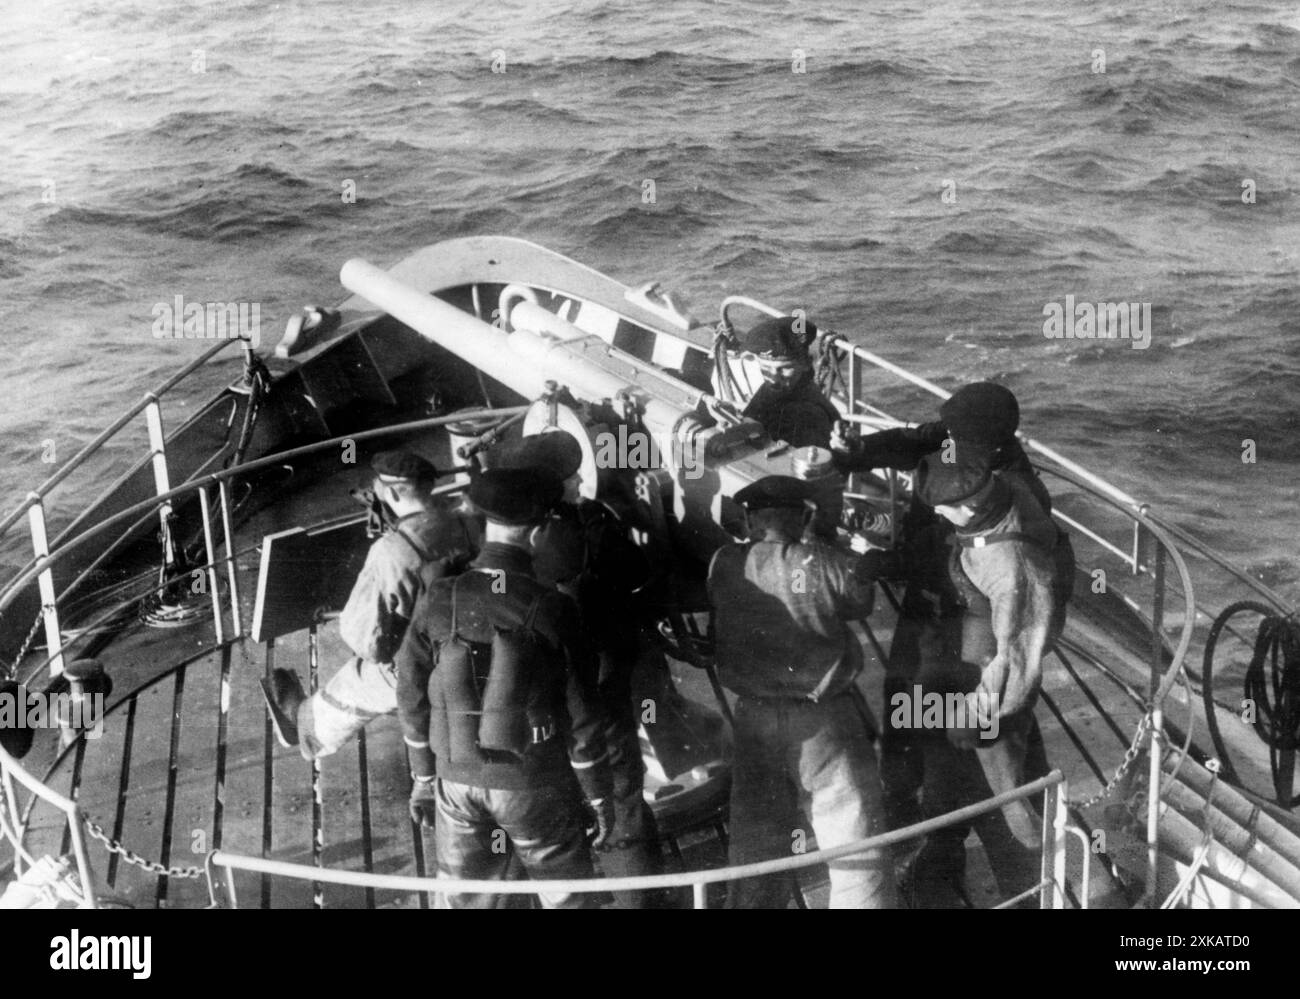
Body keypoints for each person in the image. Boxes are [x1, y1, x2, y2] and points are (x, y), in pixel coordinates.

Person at [828, 383, 1071, 843]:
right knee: (910, 711)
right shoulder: (966, 446)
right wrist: (858, 452)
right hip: (933, 604)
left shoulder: (1013, 499)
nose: (946, 440)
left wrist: (892, 563)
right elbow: (916, 440)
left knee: (994, 743)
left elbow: (1016, 645)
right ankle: (910, 817)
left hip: (975, 622)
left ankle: (1026, 848)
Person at [395, 466, 616, 909]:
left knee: (466, 900)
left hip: (456, 782)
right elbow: (583, 716)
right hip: (532, 783)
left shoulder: (439, 596)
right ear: (537, 535)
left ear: (484, 522)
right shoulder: (555, 609)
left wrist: (422, 776)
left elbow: (410, 691)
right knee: (568, 898)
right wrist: (598, 794)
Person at [489, 430, 670, 907]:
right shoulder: (589, 525)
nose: (577, 483)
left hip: (528, 700)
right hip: (596, 692)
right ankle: (641, 902)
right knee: (621, 796)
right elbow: (636, 573)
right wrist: (649, 518)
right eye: (570, 478)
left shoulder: (508, 538)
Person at [708, 475, 895, 909]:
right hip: (822, 718)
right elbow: (859, 600)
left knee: (756, 839)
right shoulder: (825, 563)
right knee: (853, 839)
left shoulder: (723, 562)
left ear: (751, 519)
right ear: (804, 516)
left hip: (753, 718)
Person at [907, 454, 1061, 905]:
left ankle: (1030, 895)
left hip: (990, 704)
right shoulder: (1001, 493)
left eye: (946, 508)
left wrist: (970, 718)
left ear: (972, 508)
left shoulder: (1011, 563)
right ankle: (937, 866)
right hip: (965, 674)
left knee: (1008, 808)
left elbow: (1017, 660)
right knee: (944, 785)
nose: (939, 513)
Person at [260, 450, 479, 760]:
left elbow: (367, 641)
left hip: (424, 665)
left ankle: (307, 730)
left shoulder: (391, 550)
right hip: (474, 643)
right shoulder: (468, 521)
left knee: (350, 685)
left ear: (389, 492)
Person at [736, 315, 839, 449]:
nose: (774, 378)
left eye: (784, 368)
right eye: (765, 368)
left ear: (806, 363)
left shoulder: (811, 412)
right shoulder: (775, 389)